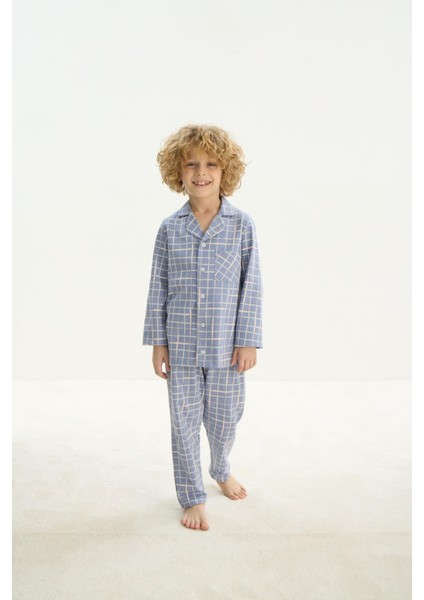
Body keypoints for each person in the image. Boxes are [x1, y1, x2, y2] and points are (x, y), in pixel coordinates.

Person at [142, 124, 263, 531]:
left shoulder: (241, 225)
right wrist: (158, 343)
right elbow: (158, 285)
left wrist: (248, 340)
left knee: (227, 416)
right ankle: (192, 495)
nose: (201, 172)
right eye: (191, 164)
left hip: (227, 346)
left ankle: (221, 467)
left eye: (211, 164)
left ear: (225, 170)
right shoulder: (169, 228)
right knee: (184, 423)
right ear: (177, 172)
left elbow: (252, 285)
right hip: (180, 344)